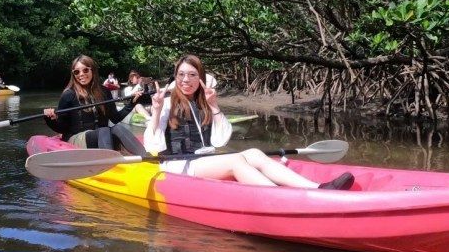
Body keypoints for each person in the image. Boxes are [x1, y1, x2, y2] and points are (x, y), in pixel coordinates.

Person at [145, 54, 354, 190]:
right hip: (177, 165)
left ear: (199, 78)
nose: (185, 80)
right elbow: (153, 146)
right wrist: (155, 112)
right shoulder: (164, 104)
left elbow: (220, 141)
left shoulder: (205, 103)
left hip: (202, 160)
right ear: (175, 77)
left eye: (192, 75)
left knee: (253, 153)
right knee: (236, 161)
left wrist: (215, 106)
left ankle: (317, 188)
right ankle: (282, 197)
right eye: (181, 75)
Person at [44, 55, 146, 153]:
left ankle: (149, 158)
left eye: (85, 70)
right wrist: (50, 119)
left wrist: (132, 103)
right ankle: (108, 163)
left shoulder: (104, 91)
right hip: (77, 138)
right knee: (104, 131)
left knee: (117, 128)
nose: (81, 74)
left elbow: (115, 118)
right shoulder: (68, 95)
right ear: (73, 74)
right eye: (76, 72)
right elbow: (62, 127)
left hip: (103, 136)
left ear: (93, 70)